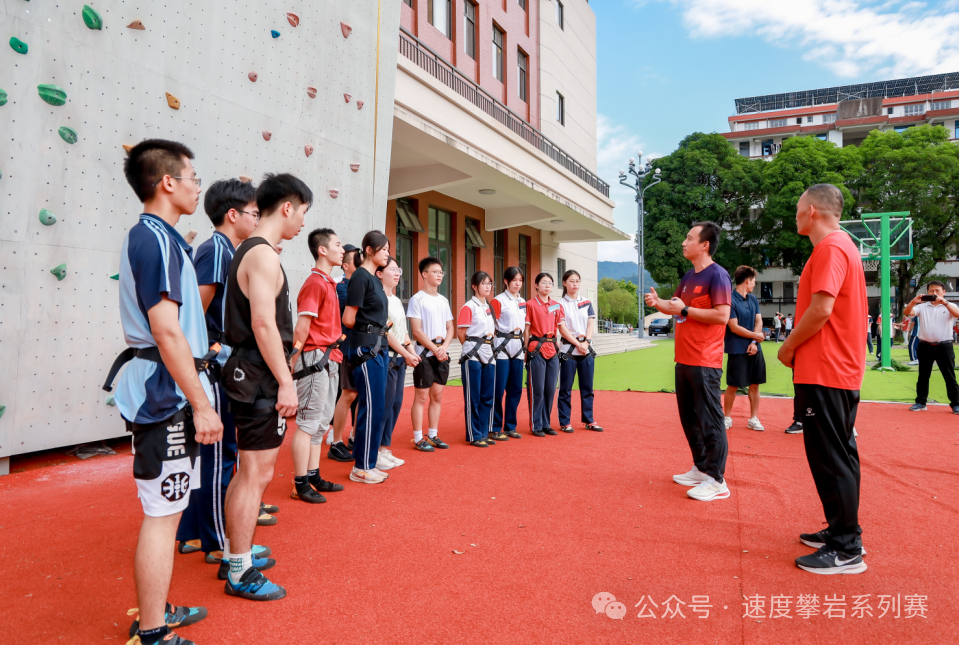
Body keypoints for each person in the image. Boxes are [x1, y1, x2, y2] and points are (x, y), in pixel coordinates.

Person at [112, 139, 219, 644]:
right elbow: (166, 330)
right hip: (165, 393)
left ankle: (157, 611)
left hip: (168, 386)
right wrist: (200, 403)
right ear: (167, 183)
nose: (199, 185)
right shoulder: (152, 238)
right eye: (192, 176)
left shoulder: (164, 237)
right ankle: (152, 632)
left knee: (168, 509)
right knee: (162, 513)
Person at [174, 178, 275, 579]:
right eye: (253, 213)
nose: (257, 219)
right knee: (220, 459)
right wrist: (210, 355)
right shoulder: (216, 250)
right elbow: (196, 314)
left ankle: (198, 533)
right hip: (215, 367)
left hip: (221, 365)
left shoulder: (228, 250)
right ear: (232, 215)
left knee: (218, 456)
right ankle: (220, 541)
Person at [220, 173, 310, 600]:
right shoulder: (262, 256)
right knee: (256, 475)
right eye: (304, 213)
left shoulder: (251, 251)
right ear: (288, 207)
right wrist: (285, 382)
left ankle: (235, 552)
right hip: (258, 377)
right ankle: (240, 568)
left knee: (248, 473)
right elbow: (262, 323)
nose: (303, 224)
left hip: (252, 374)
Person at [777, 183, 868, 575]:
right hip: (833, 369)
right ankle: (840, 532)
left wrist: (787, 347)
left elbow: (821, 309)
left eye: (798, 208)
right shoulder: (841, 245)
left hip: (827, 369)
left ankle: (847, 547)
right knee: (836, 453)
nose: (795, 215)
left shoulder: (831, 246)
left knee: (832, 456)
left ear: (812, 210)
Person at [645, 221, 731, 502]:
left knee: (710, 419)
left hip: (705, 360)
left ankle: (717, 480)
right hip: (683, 358)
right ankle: (701, 467)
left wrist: (687, 309)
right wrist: (657, 302)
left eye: (689, 237)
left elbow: (721, 315)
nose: (684, 242)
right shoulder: (689, 276)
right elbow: (676, 308)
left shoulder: (717, 276)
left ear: (704, 245)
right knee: (689, 418)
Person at [288, 228, 348, 503]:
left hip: (330, 358)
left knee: (321, 421)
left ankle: (313, 475)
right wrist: (293, 361)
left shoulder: (328, 282)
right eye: (337, 244)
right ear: (322, 250)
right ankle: (300, 483)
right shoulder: (315, 283)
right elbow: (302, 328)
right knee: (308, 423)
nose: (342, 249)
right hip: (315, 358)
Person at [343, 231, 393, 483]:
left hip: (379, 347)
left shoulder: (374, 279)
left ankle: (369, 462)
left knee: (378, 407)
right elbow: (348, 318)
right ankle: (361, 466)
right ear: (369, 250)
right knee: (369, 408)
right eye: (383, 248)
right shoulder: (361, 277)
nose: (387, 252)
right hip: (366, 349)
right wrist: (369, 333)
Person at [376, 257, 419, 468]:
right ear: (379, 273)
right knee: (383, 406)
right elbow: (386, 334)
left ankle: (385, 449)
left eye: (398, 269)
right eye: (392, 269)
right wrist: (405, 352)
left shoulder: (396, 300)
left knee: (395, 405)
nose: (397, 273)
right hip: (388, 358)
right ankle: (374, 452)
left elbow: (402, 332)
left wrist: (410, 351)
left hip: (401, 358)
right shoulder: (379, 299)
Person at [408, 257, 455, 452]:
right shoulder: (416, 299)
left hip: (441, 353)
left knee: (437, 396)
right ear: (424, 274)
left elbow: (450, 328)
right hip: (424, 354)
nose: (439, 275)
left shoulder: (443, 300)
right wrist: (435, 349)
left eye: (441, 272)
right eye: (435, 272)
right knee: (421, 397)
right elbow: (416, 331)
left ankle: (433, 435)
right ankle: (418, 438)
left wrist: (443, 347)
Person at [557, 269, 603, 433]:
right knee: (565, 389)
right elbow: (562, 328)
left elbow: (590, 324)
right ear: (564, 283)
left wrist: (587, 342)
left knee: (587, 389)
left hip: (586, 350)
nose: (575, 284)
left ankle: (589, 420)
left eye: (577, 281)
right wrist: (577, 343)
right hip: (568, 351)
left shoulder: (587, 302)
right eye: (571, 281)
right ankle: (564, 421)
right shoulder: (559, 304)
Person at [904, 280, 959, 414]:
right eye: (931, 291)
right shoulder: (922, 306)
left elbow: (957, 315)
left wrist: (944, 302)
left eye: (937, 291)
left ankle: (956, 404)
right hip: (925, 346)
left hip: (944, 345)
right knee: (923, 376)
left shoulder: (949, 306)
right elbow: (907, 312)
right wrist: (914, 301)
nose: (934, 293)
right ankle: (920, 402)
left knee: (949, 376)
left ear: (944, 292)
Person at [723, 266, 766, 432]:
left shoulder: (753, 299)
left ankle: (753, 418)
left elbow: (758, 321)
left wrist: (755, 342)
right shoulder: (730, 300)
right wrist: (756, 337)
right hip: (737, 349)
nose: (754, 285)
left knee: (755, 384)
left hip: (755, 348)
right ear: (747, 281)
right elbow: (733, 327)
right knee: (733, 385)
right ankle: (727, 417)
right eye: (754, 281)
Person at [457, 272, 497, 447]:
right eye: (483, 283)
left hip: (489, 353)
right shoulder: (468, 307)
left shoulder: (488, 307)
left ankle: (482, 431)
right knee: (473, 397)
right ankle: (474, 435)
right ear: (474, 286)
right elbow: (461, 333)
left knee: (487, 395)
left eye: (490, 283)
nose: (487, 286)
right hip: (472, 354)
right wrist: (472, 349)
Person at [328, 244, 359, 462]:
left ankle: (354, 436)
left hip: (363, 347)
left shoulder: (363, 284)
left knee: (357, 396)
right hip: (347, 348)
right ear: (346, 265)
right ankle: (336, 439)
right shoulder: (341, 286)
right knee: (346, 394)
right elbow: (347, 316)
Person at [525, 272, 566, 437]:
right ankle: (536, 425)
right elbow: (527, 329)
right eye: (543, 282)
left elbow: (561, 328)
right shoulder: (530, 304)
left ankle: (546, 423)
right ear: (536, 285)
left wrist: (578, 342)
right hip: (536, 349)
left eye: (550, 283)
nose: (547, 285)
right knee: (538, 389)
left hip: (553, 349)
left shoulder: (556, 305)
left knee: (550, 389)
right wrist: (526, 351)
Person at [490, 267, 526, 440]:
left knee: (516, 389)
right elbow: (490, 324)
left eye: (520, 280)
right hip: (502, 345)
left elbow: (526, 326)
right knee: (499, 389)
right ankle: (495, 427)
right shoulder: (498, 301)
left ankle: (510, 426)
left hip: (518, 346)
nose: (517, 283)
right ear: (506, 281)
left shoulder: (523, 301)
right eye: (514, 280)